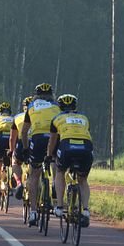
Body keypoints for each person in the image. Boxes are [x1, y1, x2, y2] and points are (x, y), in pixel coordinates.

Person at [48, 94, 93, 226]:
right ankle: (85, 210)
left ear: (60, 107)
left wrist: (49, 155)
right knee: (83, 180)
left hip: (67, 146)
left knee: (60, 172)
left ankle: (60, 207)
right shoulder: (84, 117)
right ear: (75, 106)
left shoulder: (57, 118)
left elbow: (52, 141)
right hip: (86, 147)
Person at [21, 83, 61, 226]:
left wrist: (25, 149)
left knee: (34, 175)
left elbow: (24, 132)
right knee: (56, 163)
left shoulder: (31, 106)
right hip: (54, 138)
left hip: (37, 139)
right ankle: (56, 188)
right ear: (52, 95)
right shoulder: (57, 106)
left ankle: (33, 212)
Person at [9, 96, 33, 199]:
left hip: (22, 142)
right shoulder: (39, 115)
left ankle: (19, 183)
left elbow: (12, 138)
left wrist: (11, 150)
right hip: (36, 141)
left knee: (16, 162)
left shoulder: (17, 117)